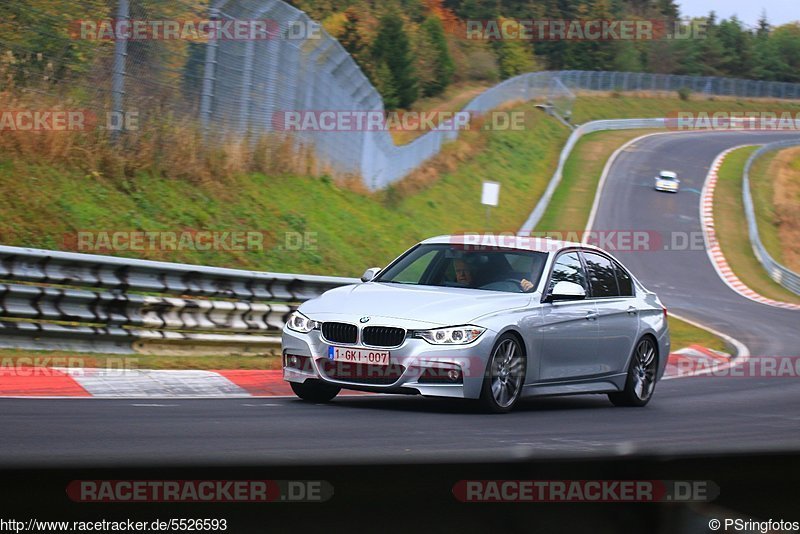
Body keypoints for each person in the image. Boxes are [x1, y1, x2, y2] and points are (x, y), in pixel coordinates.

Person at [453, 258, 535, 292]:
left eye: (465, 271)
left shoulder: (489, 288)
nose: (462, 275)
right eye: (458, 271)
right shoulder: (448, 286)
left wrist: (531, 289)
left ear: (474, 272)